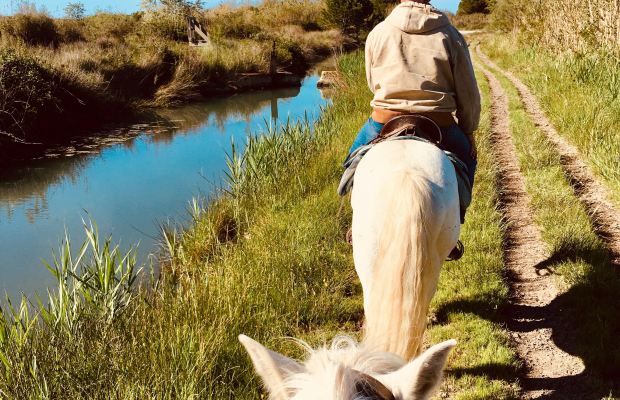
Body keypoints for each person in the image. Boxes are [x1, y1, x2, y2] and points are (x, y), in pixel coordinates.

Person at [348, 0, 481, 259]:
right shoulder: (450, 35)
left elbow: (372, 81)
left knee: (351, 163)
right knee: (468, 159)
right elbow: (469, 93)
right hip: (439, 124)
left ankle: (357, 225)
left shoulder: (379, 32)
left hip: (385, 120)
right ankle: (454, 226)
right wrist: (469, 130)